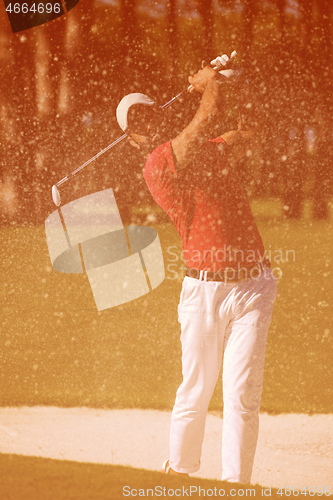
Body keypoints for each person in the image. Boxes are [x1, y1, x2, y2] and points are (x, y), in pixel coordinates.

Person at [116, 56, 278, 484]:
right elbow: (205, 117)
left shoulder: (206, 150)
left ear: (159, 113)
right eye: (135, 123)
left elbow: (251, 133)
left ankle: (236, 487)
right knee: (196, 390)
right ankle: (180, 473)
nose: (145, 124)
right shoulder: (158, 165)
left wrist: (230, 83)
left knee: (243, 396)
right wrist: (211, 83)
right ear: (131, 140)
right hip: (203, 293)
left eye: (147, 113)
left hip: (253, 287)